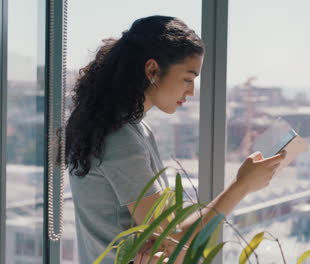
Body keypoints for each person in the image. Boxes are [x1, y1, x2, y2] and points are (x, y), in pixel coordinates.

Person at [64, 15, 286, 264]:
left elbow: (165, 238)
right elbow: (170, 244)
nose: (191, 91)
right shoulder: (121, 139)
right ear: (152, 70)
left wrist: (164, 238)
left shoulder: (131, 128)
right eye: (188, 79)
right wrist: (241, 185)